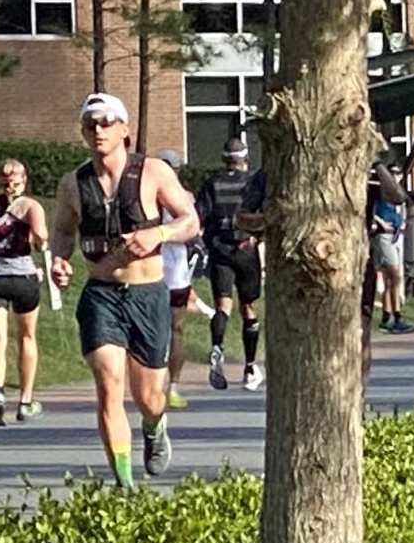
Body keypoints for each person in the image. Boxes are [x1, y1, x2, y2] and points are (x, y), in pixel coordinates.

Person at [49, 93, 200, 488]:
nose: (98, 129)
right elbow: (63, 230)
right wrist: (59, 260)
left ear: (124, 129)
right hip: (101, 294)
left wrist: (160, 233)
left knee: (149, 396)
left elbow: (191, 221)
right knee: (108, 384)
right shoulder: (73, 184)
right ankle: (124, 482)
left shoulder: (153, 173)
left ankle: (154, 426)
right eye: (90, 124)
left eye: (106, 121)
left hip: (148, 293)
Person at [0, 157, 49, 426]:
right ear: (23, 181)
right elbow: (41, 239)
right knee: (27, 337)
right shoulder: (31, 206)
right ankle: (25, 401)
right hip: (23, 277)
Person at [198, 134, 264, 391]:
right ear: (245, 158)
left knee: (222, 305)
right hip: (246, 249)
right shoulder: (253, 183)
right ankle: (249, 367)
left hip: (220, 250)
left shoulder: (211, 183)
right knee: (249, 307)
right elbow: (261, 214)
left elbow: (200, 215)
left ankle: (217, 347)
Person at [154, 148, 199, 413]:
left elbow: (194, 230)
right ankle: (160, 384)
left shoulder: (185, 198)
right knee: (163, 328)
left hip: (175, 267)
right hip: (154, 266)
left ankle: (172, 386)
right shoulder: (150, 194)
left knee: (175, 327)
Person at [363, 152, 409, 384]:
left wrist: (377, 163)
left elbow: (398, 196)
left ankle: (357, 394)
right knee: (394, 275)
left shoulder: (370, 182)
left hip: (361, 260)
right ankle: (391, 315)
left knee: (362, 333)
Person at [370, 160, 413, 334]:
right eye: (392, 173)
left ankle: (387, 316)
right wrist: (380, 222)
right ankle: (397, 314)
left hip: (397, 235)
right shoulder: (381, 191)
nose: (395, 176)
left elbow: (403, 208)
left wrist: (403, 223)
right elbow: (370, 210)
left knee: (391, 279)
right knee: (395, 275)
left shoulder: (399, 193)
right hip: (385, 235)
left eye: (398, 173)